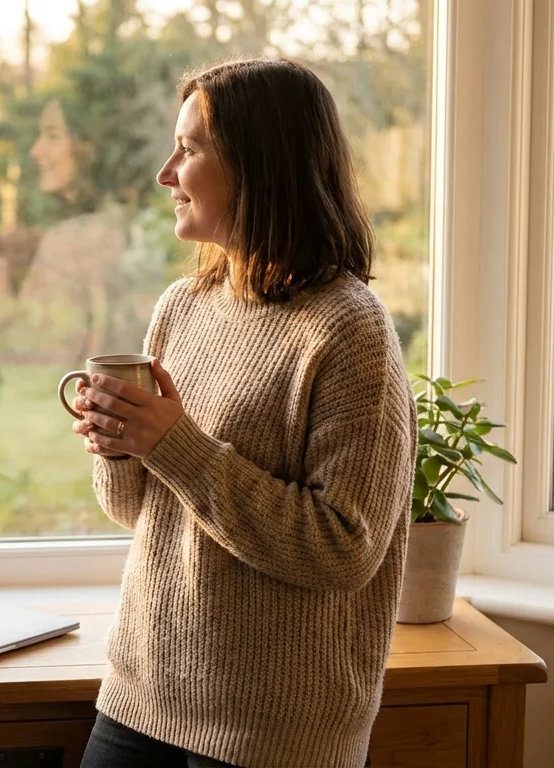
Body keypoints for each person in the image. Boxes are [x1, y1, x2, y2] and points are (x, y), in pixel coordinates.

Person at [71, 58, 417, 767]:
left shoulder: (349, 329)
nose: (166, 173)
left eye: (190, 150)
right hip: (141, 691)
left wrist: (174, 445)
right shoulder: (182, 307)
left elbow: (343, 548)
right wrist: (118, 445)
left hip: (274, 732)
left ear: (261, 168)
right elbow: (140, 510)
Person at [0, 97, 150, 525]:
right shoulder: (120, 228)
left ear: (89, 149)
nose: (36, 152)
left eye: (53, 135)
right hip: (107, 454)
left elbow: (40, 359)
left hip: (58, 460)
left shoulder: (75, 240)